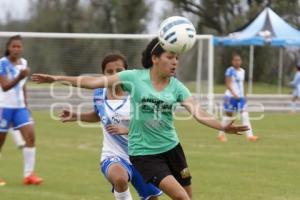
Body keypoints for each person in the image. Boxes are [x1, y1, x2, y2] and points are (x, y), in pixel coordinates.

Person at [32, 37, 248, 200]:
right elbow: (91, 82)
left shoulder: (177, 87)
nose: (175, 62)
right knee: (181, 197)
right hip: (145, 154)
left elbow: (198, 112)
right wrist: (56, 78)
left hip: (172, 149)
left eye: (177, 58)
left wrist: (222, 125)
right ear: (155, 58)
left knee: (187, 198)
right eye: (170, 57)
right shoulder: (133, 78)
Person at [59, 53, 161, 200]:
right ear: (104, 74)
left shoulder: (137, 94)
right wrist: (76, 115)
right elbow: (99, 115)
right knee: (119, 179)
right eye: (110, 71)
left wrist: (128, 130)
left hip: (142, 155)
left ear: (127, 72)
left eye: (119, 70)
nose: (115, 74)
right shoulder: (99, 93)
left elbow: (153, 125)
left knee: (152, 198)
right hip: (113, 155)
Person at [0, 35, 43, 185]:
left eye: (19, 46)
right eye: (14, 46)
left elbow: (23, 85)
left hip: (20, 108)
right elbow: (5, 87)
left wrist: (26, 105)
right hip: (4, 108)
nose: (17, 49)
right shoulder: (2, 63)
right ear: (8, 48)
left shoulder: (23, 63)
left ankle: (29, 175)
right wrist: (19, 76)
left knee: (30, 137)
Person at [218, 53, 258, 142]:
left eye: (239, 60)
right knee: (228, 117)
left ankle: (250, 136)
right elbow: (228, 84)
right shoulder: (230, 71)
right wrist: (234, 94)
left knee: (245, 115)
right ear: (232, 61)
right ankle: (221, 135)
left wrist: (245, 95)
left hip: (240, 98)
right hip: (230, 97)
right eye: (235, 60)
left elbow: (242, 84)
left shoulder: (242, 71)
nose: (237, 62)